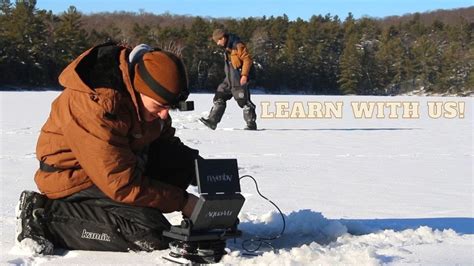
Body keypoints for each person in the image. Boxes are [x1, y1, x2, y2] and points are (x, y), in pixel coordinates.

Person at [15, 42, 201, 254]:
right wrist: (183, 202)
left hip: (120, 164)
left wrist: (203, 172)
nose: (164, 115)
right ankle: (43, 214)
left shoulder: (145, 98)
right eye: (159, 107)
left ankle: (107, 210)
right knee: (149, 232)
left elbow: (165, 143)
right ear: (139, 89)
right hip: (73, 176)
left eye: (168, 108)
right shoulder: (95, 104)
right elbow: (120, 183)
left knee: (181, 166)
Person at [199, 29, 257, 130]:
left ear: (223, 38)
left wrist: (244, 75)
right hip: (228, 79)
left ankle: (251, 124)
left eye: (218, 41)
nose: (217, 43)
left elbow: (247, 59)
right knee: (219, 96)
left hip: (238, 78)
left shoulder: (237, 45)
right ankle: (212, 121)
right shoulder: (227, 48)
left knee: (243, 101)